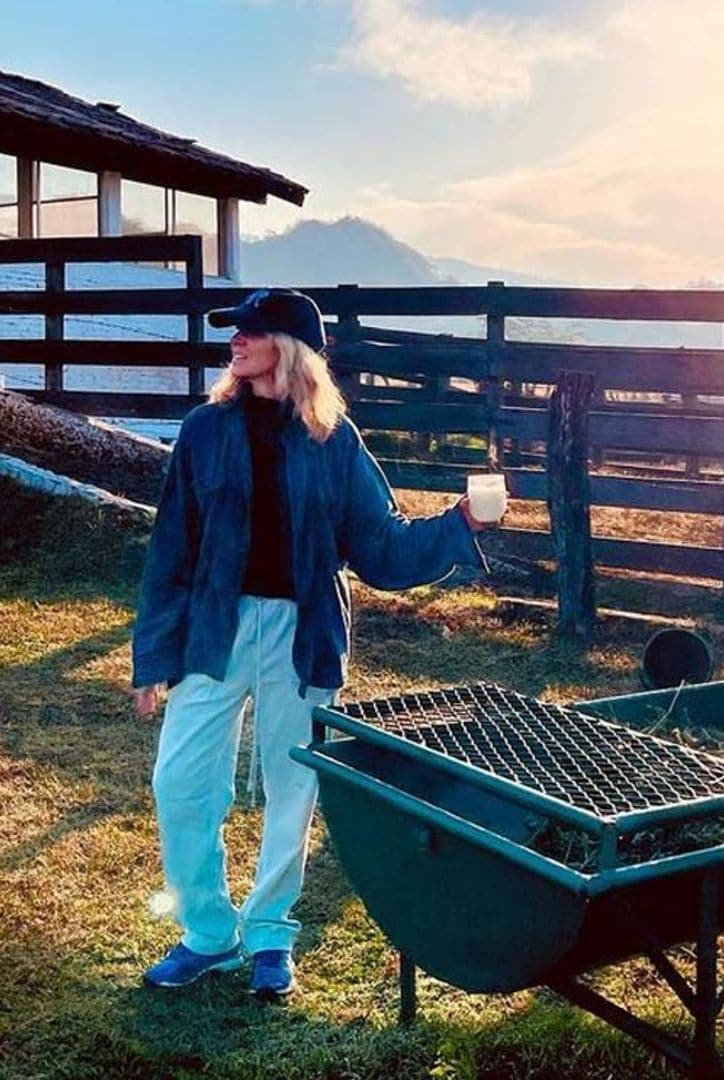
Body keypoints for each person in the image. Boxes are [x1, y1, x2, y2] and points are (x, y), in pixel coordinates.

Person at [132, 287, 498, 1000]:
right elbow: (170, 547)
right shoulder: (204, 431)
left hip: (304, 632)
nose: (235, 342)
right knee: (178, 782)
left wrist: (458, 525)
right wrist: (154, 655)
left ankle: (269, 932)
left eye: (250, 331)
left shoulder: (334, 440)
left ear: (289, 348)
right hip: (215, 626)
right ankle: (209, 934)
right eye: (233, 333)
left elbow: (382, 547)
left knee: (292, 787)